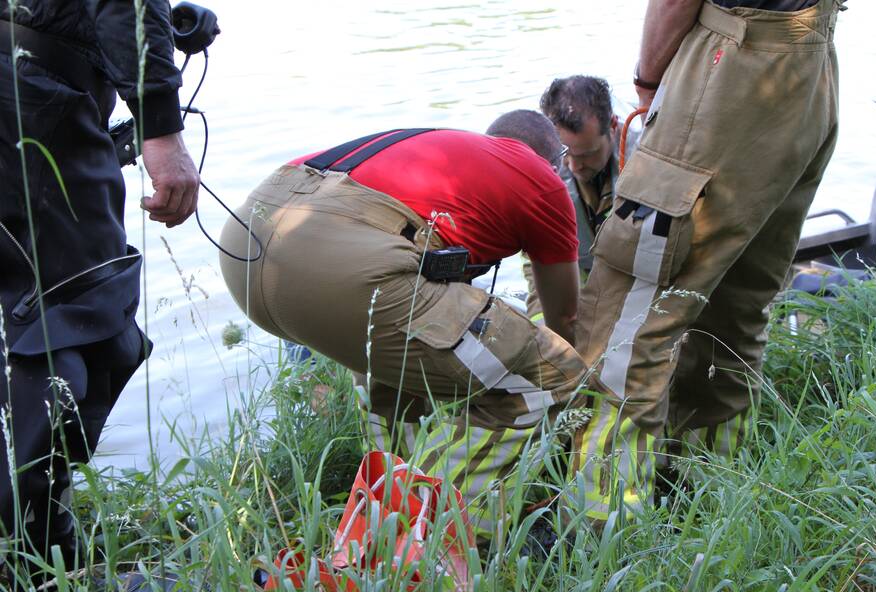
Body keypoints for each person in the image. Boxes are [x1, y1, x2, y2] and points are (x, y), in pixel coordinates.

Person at [219, 112, 589, 535]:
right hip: (339, 262)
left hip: (246, 248)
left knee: (396, 372)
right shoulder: (539, 178)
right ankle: (439, 537)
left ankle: (383, 512)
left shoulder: (441, 147)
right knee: (552, 374)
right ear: (554, 159)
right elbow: (565, 316)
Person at [571, 0, 842, 522]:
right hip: (813, 67)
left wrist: (650, 80)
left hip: (734, 62)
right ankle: (705, 492)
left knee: (627, 318)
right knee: (736, 304)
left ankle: (602, 523)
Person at [0, 0, 199, 571]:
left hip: (34, 78)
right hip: (35, 97)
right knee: (75, 317)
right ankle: (40, 571)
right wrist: (160, 126)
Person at [522, 75, 639, 322]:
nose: (575, 167)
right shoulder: (538, 156)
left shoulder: (646, 155)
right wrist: (544, 329)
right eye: (566, 154)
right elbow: (536, 259)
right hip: (576, 265)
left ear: (613, 127)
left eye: (587, 154)